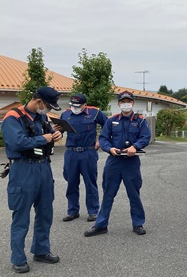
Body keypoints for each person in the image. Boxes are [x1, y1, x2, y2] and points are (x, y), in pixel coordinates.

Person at [1, 86, 63, 273]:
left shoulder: (41, 117)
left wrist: (56, 135)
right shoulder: (13, 117)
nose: (49, 111)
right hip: (23, 168)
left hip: (43, 167)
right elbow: (17, 142)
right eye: (48, 106)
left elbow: (48, 134)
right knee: (21, 215)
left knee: (45, 212)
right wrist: (43, 139)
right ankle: (18, 258)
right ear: (38, 102)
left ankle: (41, 250)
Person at [84, 91, 151, 237]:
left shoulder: (140, 121)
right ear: (119, 104)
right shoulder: (111, 120)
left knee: (134, 194)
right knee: (108, 193)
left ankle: (138, 223)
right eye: (123, 101)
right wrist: (109, 148)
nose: (126, 104)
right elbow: (103, 138)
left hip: (131, 161)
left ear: (132, 103)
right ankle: (101, 225)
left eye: (129, 101)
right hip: (114, 161)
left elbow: (146, 137)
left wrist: (135, 146)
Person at [59, 94, 108, 222]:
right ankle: (72, 210)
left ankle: (93, 211)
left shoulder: (94, 112)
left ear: (84, 105)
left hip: (88, 152)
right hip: (71, 153)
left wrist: (101, 140)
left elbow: (108, 126)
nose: (75, 108)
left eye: (78, 106)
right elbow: (60, 131)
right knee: (71, 183)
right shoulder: (65, 114)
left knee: (90, 183)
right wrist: (56, 133)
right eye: (73, 106)